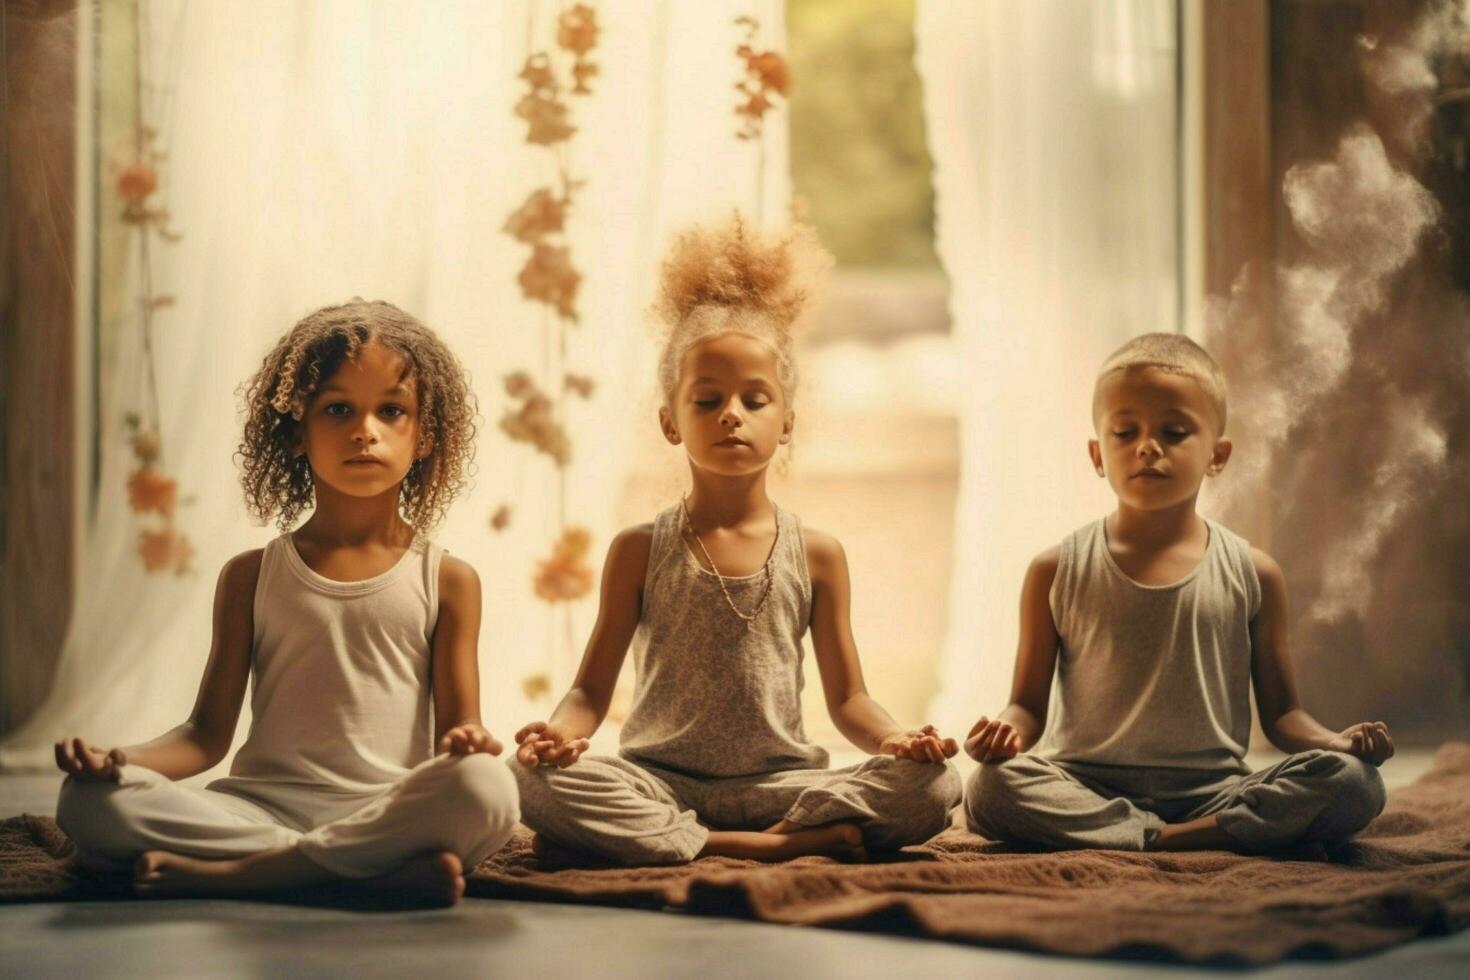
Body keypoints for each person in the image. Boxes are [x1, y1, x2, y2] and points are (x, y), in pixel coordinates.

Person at [511, 216, 962, 865]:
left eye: (755, 400)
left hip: (781, 785)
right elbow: (589, 692)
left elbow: (850, 698)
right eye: (707, 399)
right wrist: (557, 735)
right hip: (659, 780)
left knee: (937, 785)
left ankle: (699, 842)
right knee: (525, 779)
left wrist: (899, 740)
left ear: (787, 422)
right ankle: (754, 848)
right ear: (671, 421)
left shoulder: (819, 553)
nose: (731, 414)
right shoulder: (639, 549)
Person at [54, 299, 517, 904]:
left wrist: (470, 743)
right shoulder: (251, 575)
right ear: (297, 431)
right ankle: (353, 874)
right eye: (339, 409)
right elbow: (204, 736)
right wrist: (120, 758)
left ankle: (244, 878)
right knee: (87, 803)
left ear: (424, 437)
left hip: (388, 809)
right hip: (261, 808)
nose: (364, 430)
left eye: (391, 411)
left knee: (488, 789)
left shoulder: (448, 579)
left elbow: (458, 731)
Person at [963, 333, 1390, 853]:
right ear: (1098, 454)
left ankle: (1151, 837)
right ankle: (1179, 839)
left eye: (1173, 431)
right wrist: (1003, 732)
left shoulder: (1254, 572)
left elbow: (1282, 717)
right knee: (987, 788)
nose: (1147, 446)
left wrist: (1337, 742)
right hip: (1085, 787)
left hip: (1214, 794)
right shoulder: (1055, 569)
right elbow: (1026, 709)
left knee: (1355, 782)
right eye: (1124, 432)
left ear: (1217, 454)